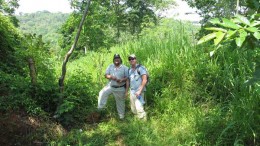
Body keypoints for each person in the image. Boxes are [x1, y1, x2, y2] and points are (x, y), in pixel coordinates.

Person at [98, 54, 129, 119]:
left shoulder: (125, 68)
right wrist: (111, 77)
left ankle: (121, 118)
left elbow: (127, 78)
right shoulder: (110, 66)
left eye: (118, 58)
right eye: (115, 58)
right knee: (102, 93)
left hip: (120, 88)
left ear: (120, 59)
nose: (116, 60)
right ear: (113, 60)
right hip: (110, 86)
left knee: (120, 104)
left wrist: (121, 80)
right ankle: (100, 111)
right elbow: (106, 75)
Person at [128, 54, 147, 120]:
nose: (131, 60)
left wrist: (139, 91)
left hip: (139, 92)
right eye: (130, 59)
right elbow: (129, 81)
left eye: (133, 58)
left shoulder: (141, 68)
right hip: (132, 92)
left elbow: (145, 79)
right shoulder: (129, 70)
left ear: (136, 59)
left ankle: (143, 124)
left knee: (139, 108)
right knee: (133, 109)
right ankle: (137, 122)